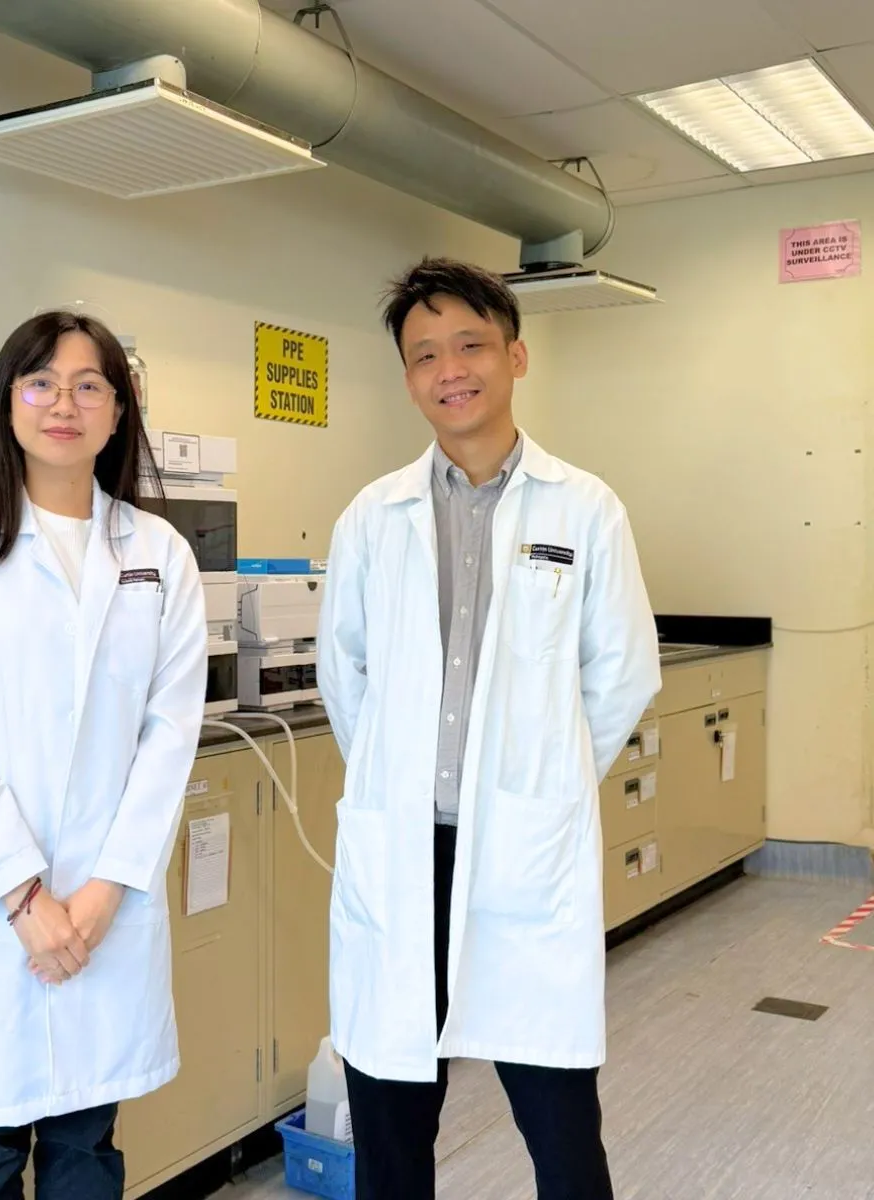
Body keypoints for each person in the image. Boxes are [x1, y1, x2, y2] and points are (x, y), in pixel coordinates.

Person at [317, 258, 661, 1200]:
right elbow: (343, 674)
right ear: (407, 378)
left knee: (558, 1125)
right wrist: (398, 776)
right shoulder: (371, 516)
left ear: (515, 355)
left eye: (470, 344)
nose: (449, 369)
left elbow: (624, 671)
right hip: (401, 855)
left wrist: (538, 782)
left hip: (521, 854)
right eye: (424, 354)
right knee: (391, 1122)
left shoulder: (583, 508)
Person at [0, 310, 208, 1200]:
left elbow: (169, 736)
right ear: (8, 402)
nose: (63, 403)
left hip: (103, 913)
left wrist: (104, 893)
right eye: (41, 383)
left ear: (116, 414)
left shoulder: (160, 556)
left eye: (88, 386)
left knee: (86, 1160)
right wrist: (26, 899)